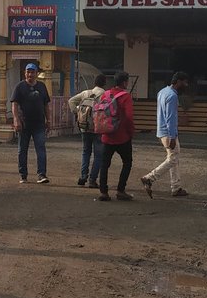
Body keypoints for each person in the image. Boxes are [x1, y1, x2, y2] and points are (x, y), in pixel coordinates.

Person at [141, 71, 190, 198]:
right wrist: (173, 137)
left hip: (161, 131)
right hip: (168, 133)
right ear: (178, 81)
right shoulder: (173, 96)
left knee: (174, 159)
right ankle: (149, 178)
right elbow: (171, 118)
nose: (186, 85)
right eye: (184, 82)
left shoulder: (162, 92)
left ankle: (176, 187)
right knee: (173, 159)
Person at [96, 71, 135, 202]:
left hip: (106, 135)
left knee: (104, 164)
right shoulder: (126, 97)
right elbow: (129, 117)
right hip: (122, 136)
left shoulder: (105, 94)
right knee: (127, 162)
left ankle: (103, 192)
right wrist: (131, 132)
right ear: (124, 82)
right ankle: (120, 190)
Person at [10, 63, 51, 183]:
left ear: (36, 73)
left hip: (39, 124)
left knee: (41, 149)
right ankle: (23, 175)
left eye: (32, 72)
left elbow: (46, 105)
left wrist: (48, 120)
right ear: (25, 73)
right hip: (24, 125)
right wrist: (16, 119)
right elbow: (14, 104)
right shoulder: (19, 87)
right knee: (22, 150)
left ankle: (42, 174)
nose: (30, 74)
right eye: (28, 72)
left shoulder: (42, 87)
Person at [68, 73, 106, 188]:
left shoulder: (85, 93)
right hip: (97, 128)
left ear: (94, 83)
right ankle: (92, 179)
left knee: (86, 152)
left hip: (84, 127)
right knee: (98, 155)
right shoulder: (104, 94)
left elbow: (71, 101)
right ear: (104, 83)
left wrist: (77, 113)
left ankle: (83, 176)